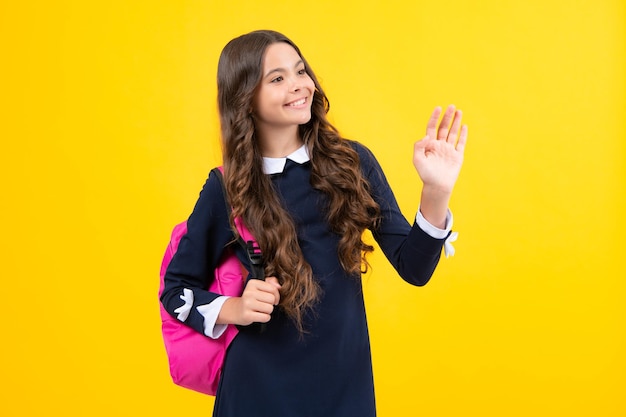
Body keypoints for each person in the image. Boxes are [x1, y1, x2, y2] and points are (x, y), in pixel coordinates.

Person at [160, 29, 467, 417]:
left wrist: (436, 192)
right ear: (245, 99)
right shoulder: (227, 187)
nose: (298, 85)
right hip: (256, 393)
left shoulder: (352, 163)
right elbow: (176, 292)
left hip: (344, 389)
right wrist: (234, 309)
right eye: (277, 78)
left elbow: (415, 268)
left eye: (300, 71)